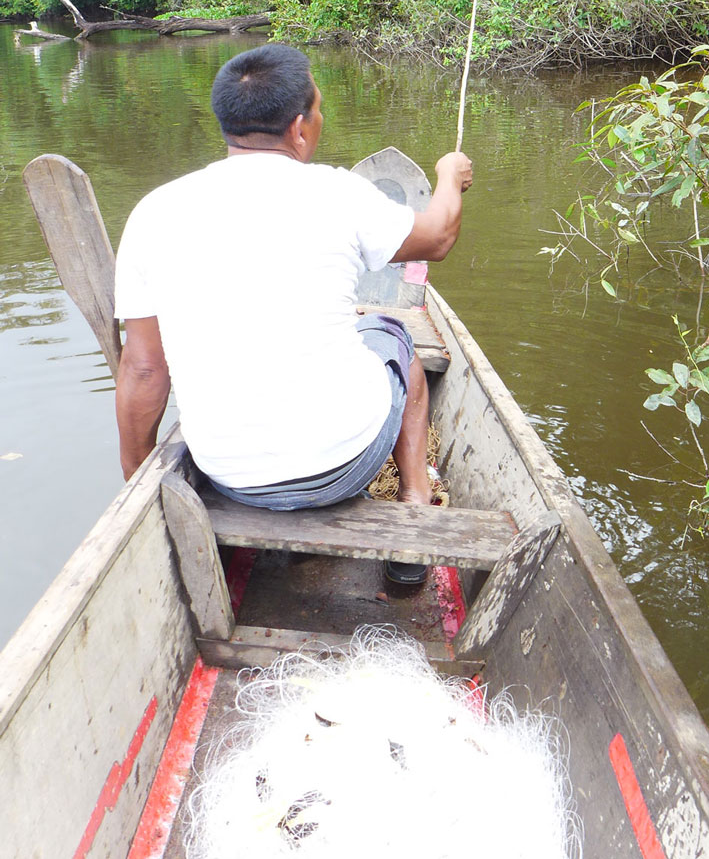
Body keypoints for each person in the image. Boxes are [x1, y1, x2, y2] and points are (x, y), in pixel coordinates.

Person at [113, 42, 473, 585]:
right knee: (393, 336)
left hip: (229, 476)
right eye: (320, 112)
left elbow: (143, 369)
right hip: (344, 468)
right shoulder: (337, 192)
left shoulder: (153, 211)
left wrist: (138, 483)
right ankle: (416, 499)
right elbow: (439, 236)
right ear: (300, 129)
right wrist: (449, 175)